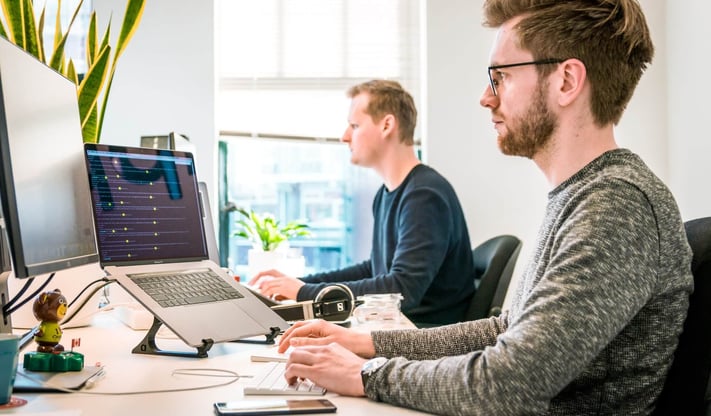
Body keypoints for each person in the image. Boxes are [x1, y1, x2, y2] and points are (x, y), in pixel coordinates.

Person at [273, 1, 694, 414]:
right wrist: (365, 344)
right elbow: (505, 331)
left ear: (566, 81)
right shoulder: (583, 195)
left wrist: (367, 374)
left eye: (501, 77)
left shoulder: (615, 205)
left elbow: (507, 383)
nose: (485, 98)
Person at [249, 79, 476, 326]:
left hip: (423, 337)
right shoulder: (388, 194)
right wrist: (301, 284)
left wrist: (304, 293)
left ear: (387, 125)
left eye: (354, 126)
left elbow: (402, 291)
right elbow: (374, 269)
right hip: (397, 328)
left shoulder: (424, 195)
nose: (344, 137)